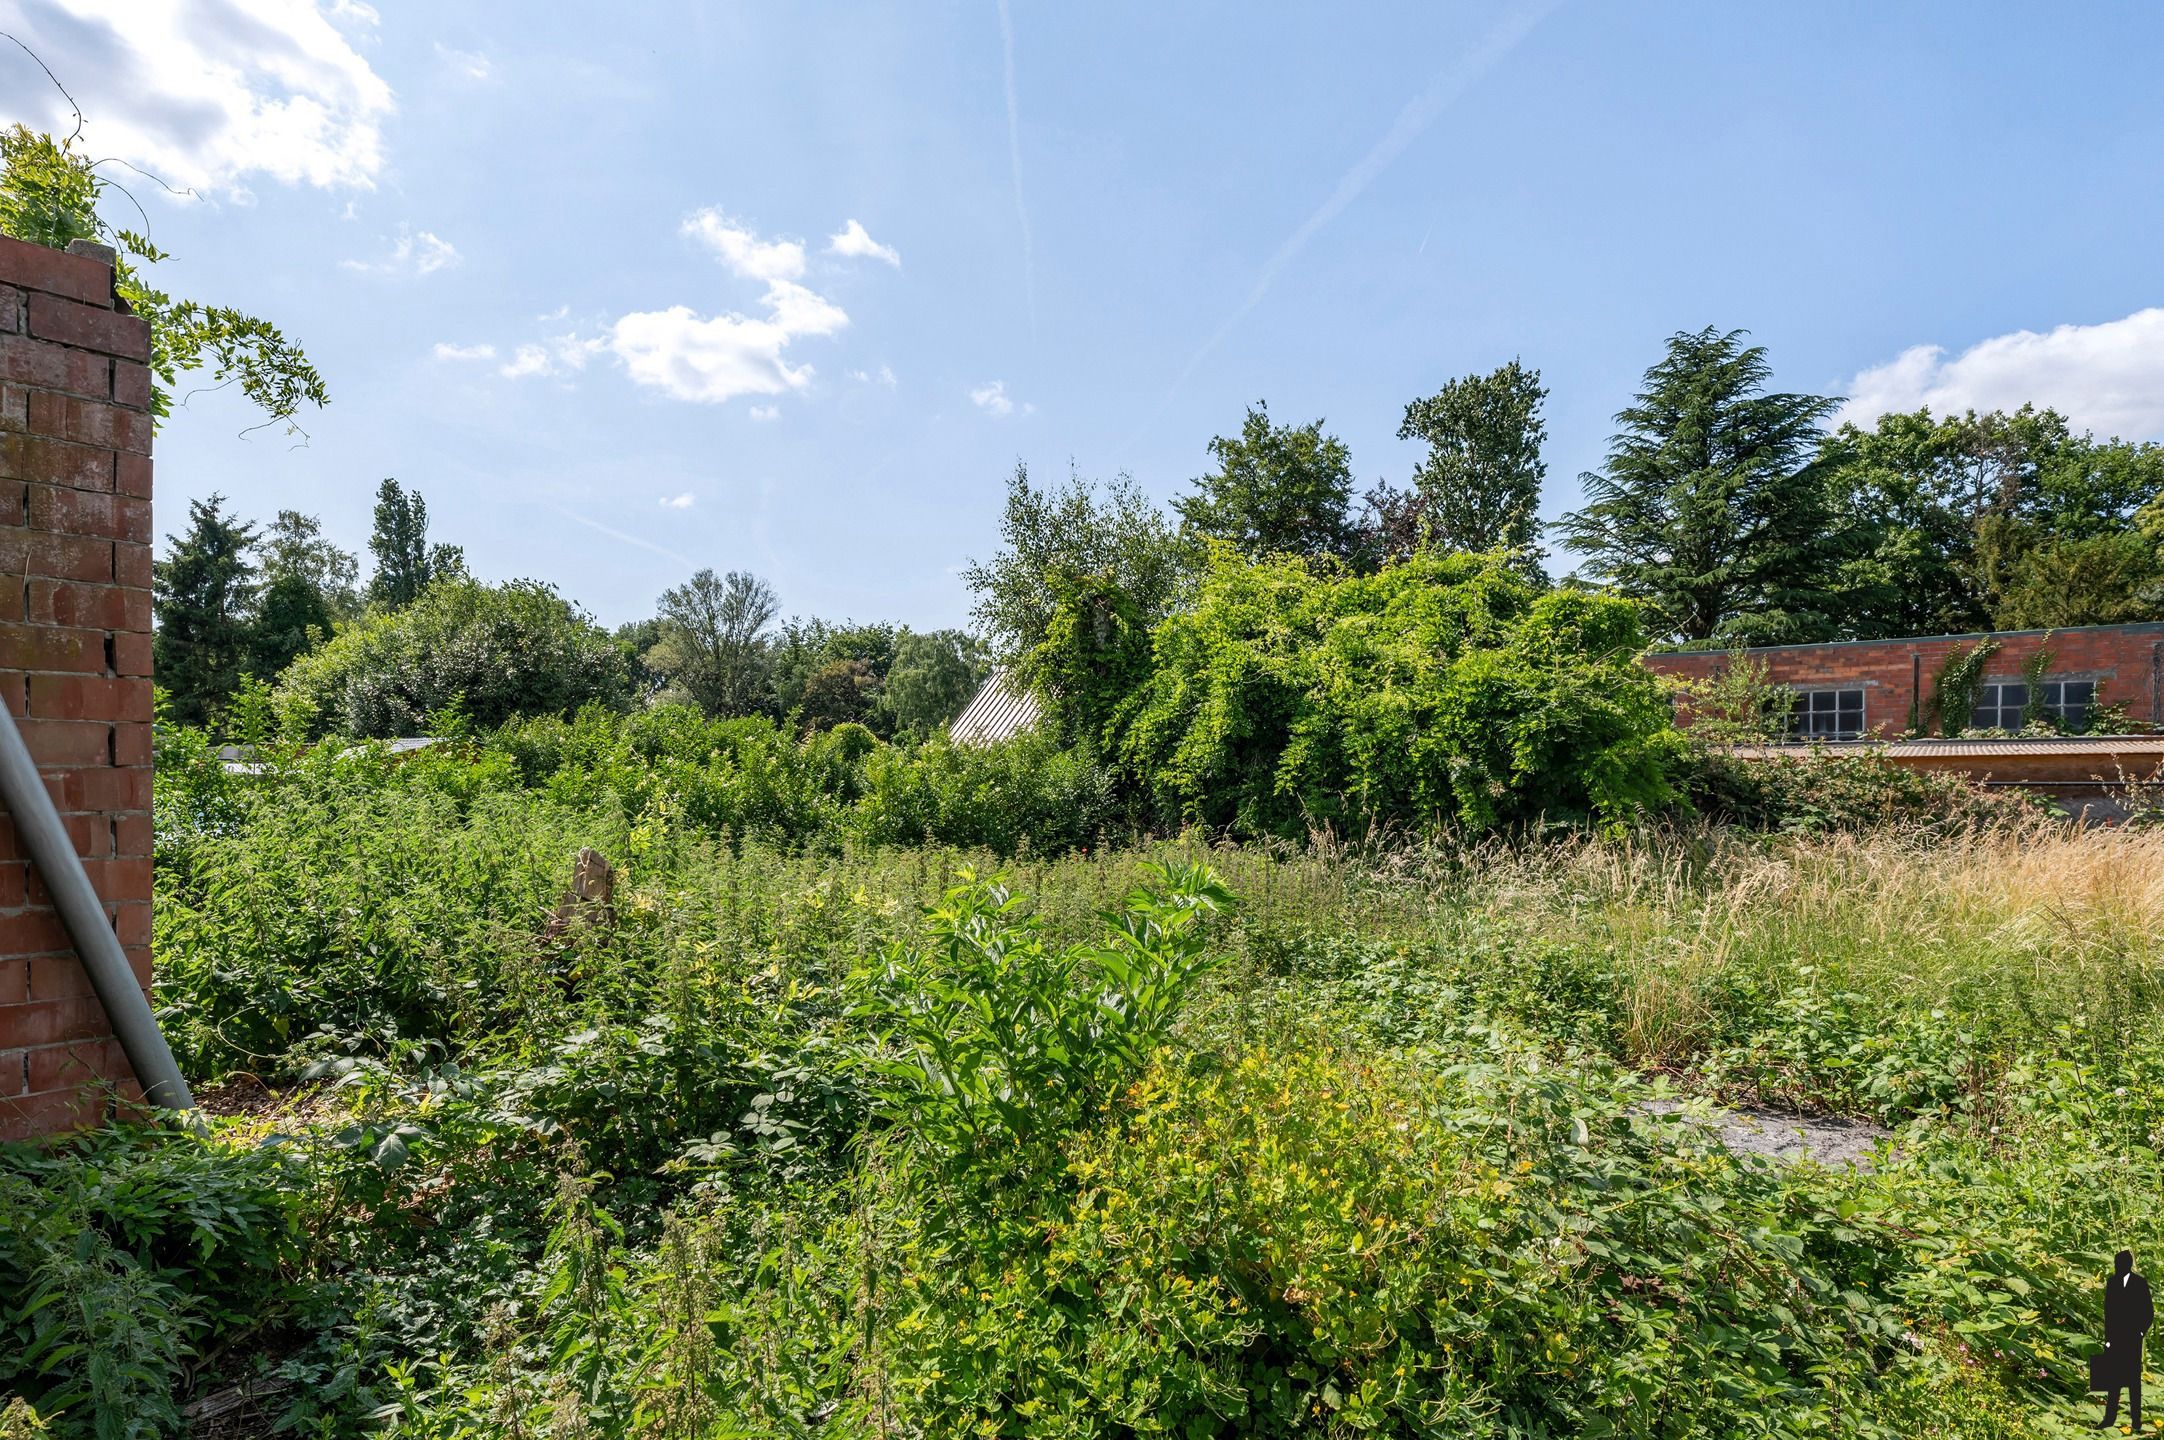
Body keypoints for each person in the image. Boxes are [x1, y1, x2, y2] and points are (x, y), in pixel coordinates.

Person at [2100, 1250, 2153, 1430]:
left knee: (2133, 1381)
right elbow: (2108, 1313)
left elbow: (2148, 1312)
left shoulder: (2140, 1283)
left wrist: (2140, 1332)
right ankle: (2109, 1419)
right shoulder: (2112, 1282)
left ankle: (2136, 1421)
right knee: (2113, 1380)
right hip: (2115, 1339)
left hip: (2132, 1339)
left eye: (2120, 1263)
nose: (2117, 1266)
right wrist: (2108, 1339)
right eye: (2116, 1263)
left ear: (2128, 1265)